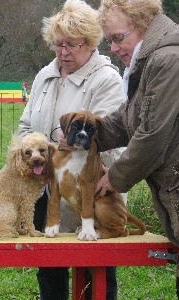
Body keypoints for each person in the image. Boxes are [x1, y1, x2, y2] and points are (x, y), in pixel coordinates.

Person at [18, 0, 127, 299]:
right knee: (50, 269)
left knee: (97, 272)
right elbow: (26, 127)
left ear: (91, 43)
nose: (63, 52)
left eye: (72, 45)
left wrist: (62, 148)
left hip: (91, 194)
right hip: (47, 189)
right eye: (58, 44)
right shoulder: (44, 75)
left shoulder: (106, 80)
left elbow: (113, 141)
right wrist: (34, 159)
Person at [92, 0, 179, 297]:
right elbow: (130, 118)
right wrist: (88, 135)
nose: (114, 48)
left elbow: (152, 134)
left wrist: (114, 177)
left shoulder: (168, 60)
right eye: (110, 41)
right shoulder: (149, 61)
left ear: (144, 26)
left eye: (119, 38)